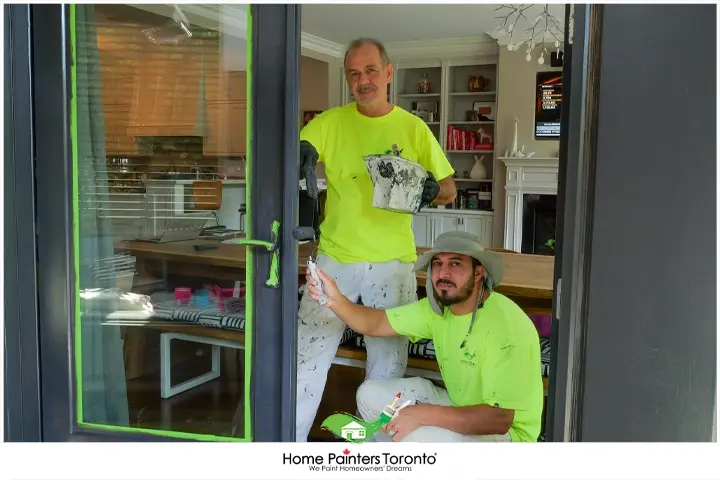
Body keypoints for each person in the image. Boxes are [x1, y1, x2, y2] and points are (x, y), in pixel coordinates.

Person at [295, 37, 457, 441]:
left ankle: (375, 452)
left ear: (388, 73)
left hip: (393, 265)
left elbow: (450, 187)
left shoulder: (413, 128)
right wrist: (297, 153)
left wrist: (428, 191)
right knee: (305, 361)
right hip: (335, 261)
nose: (362, 80)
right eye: (354, 73)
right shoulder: (330, 122)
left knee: (387, 370)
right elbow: (303, 149)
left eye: (370, 71)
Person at [304, 231, 544, 442]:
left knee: (413, 434)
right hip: (458, 405)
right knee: (370, 395)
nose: (443, 273)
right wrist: (333, 299)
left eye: (456, 264)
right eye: (437, 264)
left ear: (479, 272)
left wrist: (422, 414)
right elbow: (375, 323)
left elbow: (499, 419)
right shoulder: (438, 310)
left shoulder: (506, 325)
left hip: (507, 436)